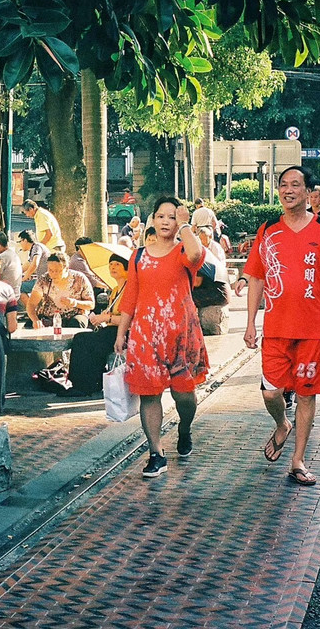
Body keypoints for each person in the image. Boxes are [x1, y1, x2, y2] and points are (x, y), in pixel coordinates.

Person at [243, 166, 320, 488]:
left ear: (308, 193)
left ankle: (298, 460)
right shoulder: (267, 231)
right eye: (283, 185)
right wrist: (250, 321)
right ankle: (282, 424)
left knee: (306, 393)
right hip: (276, 328)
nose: (288, 190)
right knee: (271, 391)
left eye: (296, 185)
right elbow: (256, 278)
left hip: (315, 328)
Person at [115, 198, 209, 478]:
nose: (166, 221)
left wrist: (184, 224)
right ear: (152, 220)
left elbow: (196, 255)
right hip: (146, 336)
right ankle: (156, 452)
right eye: (161, 216)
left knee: (185, 396)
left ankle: (184, 429)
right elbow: (130, 296)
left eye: (171, 216)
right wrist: (122, 332)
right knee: (149, 395)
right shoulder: (138, 256)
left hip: (181, 335)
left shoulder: (183, 250)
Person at [66, 254, 129, 397]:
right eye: (111, 264)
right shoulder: (115, 290)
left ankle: (84, 385)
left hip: (125, 332)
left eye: (118, 264)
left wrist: (107, 317)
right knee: (81, 338)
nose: (113, 267)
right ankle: (86, 382)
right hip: (112, 329)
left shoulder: (130, 288)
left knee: (86, 341)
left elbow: (131, 318)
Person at [26, 251, 95, 329]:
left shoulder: (79, 278)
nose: (53, 273)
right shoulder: (44, 280)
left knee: (76, 323)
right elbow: (31, 304)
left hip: (74, 315)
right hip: (49, 316)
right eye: (50, 270)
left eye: (58, 271)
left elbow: (91, 304)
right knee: (30, 324)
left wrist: (74, 303)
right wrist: (35, 320)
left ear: (66, 268)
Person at [18, 230, 49, 299]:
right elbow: (27, 265)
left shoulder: (36, 247)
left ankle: (31, 309)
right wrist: (16, 273)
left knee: (18, 287)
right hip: (42, 280)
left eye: (20, 241)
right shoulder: (35, 248)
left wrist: (24, 278)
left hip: (44, 281)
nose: (20, 244)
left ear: (25, 240)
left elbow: (35, 264)